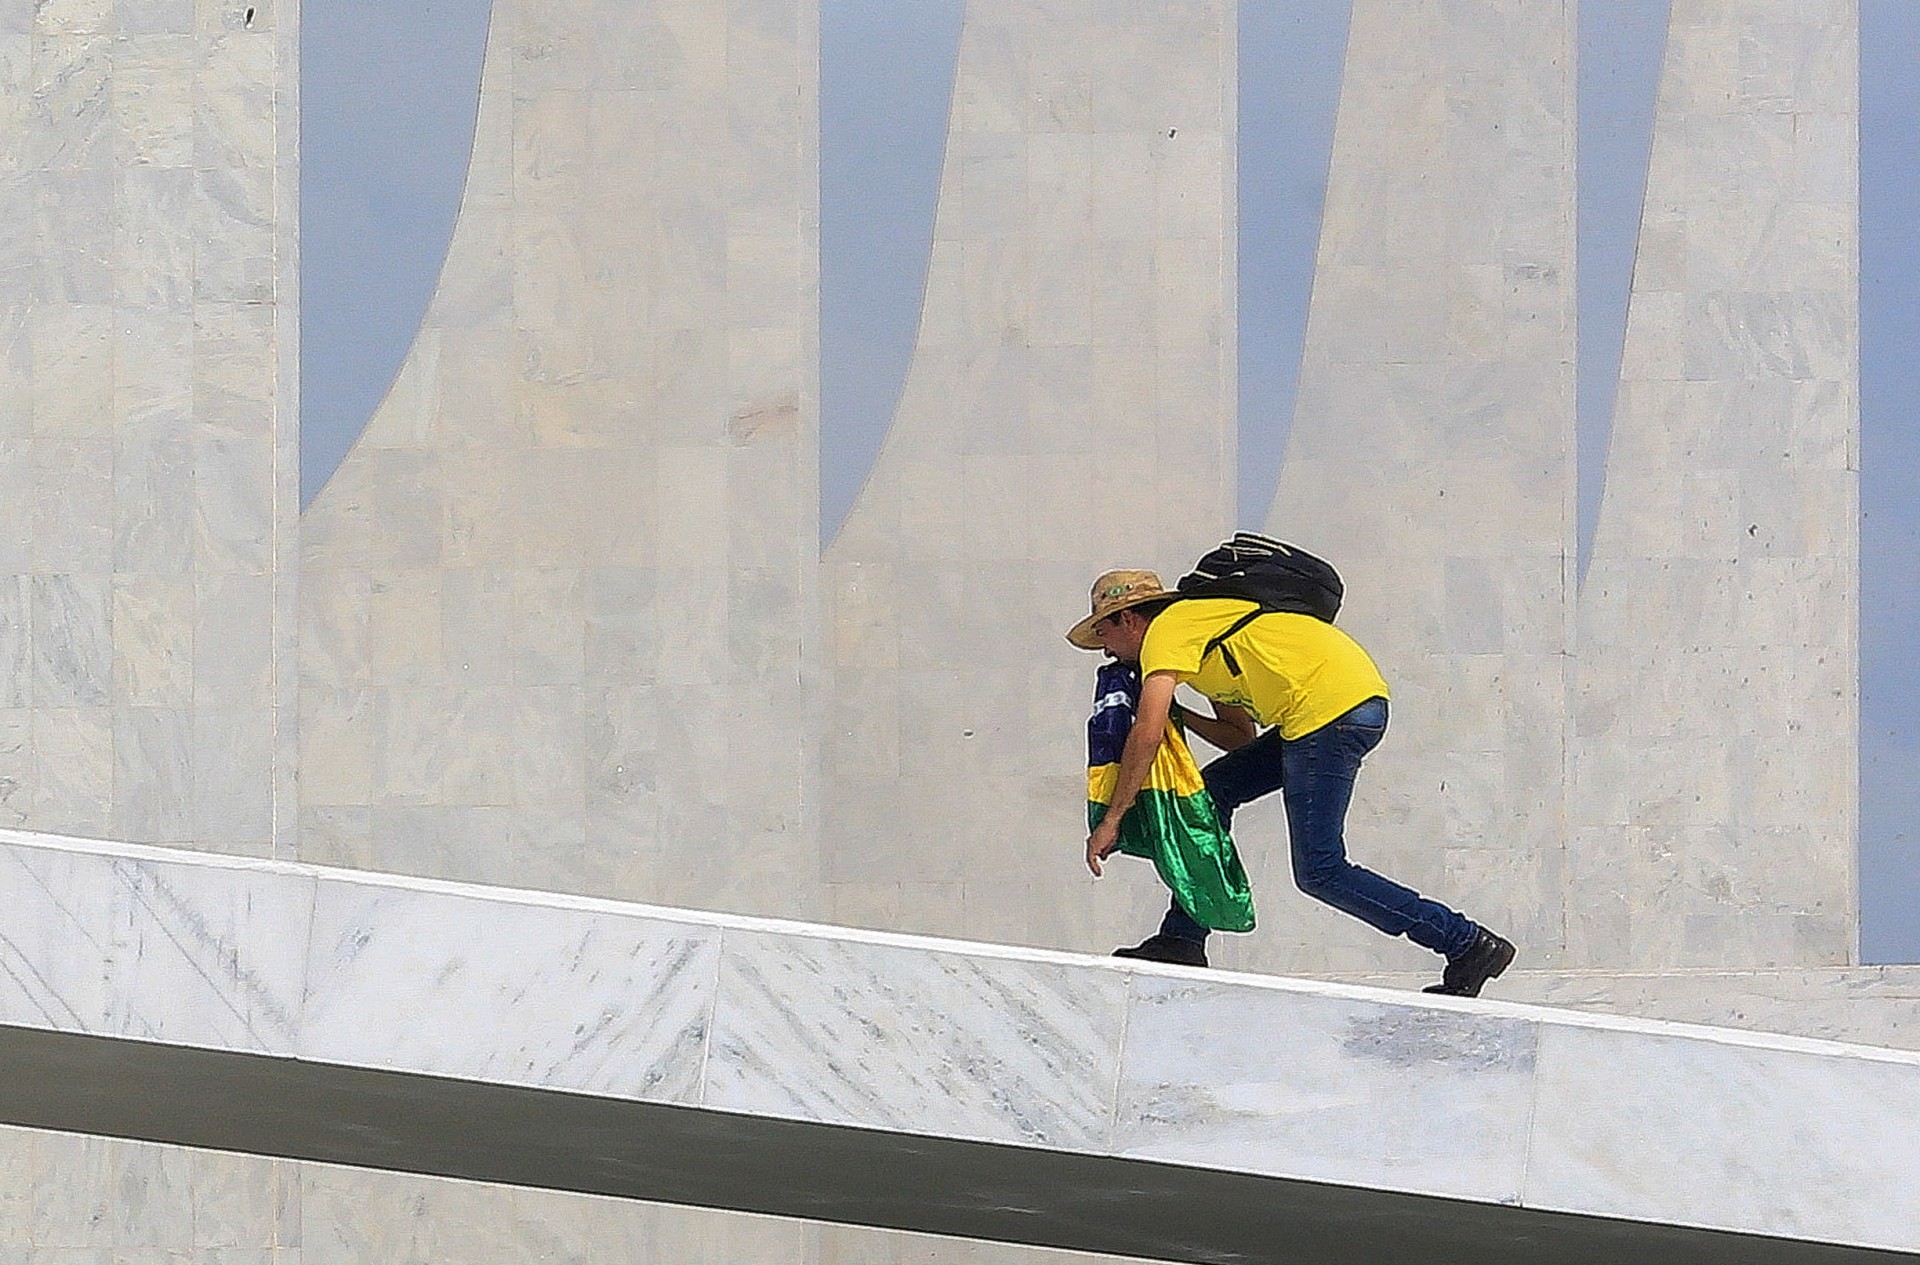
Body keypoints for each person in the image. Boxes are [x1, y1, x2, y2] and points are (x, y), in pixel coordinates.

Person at [1065, 569, 1515, 995]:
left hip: (1328, 715)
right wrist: (1181, 715)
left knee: (1321, 870)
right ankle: (1181, 939)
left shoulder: (1168, 631)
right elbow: (1240, 738)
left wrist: (1113, 818)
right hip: (1340, 707)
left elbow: (1143, 736)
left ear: (1128, 618)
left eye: (1103, 634)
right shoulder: (1199, 629)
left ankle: (1465, 943)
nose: (1105, 650)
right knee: (1214, 791)